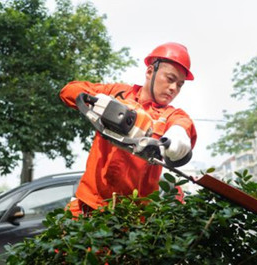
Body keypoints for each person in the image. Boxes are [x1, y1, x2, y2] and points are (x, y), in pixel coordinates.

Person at [59, 42, 197, 217]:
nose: (173, 88)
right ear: (149, 72)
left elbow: (184, 125)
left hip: (131, 218)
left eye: (179, 85)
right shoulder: (118, 93)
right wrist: (103, 104)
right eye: (170, 79)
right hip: (88, 205)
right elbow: (68, 91)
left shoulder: (171, 115)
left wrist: (178, 134)